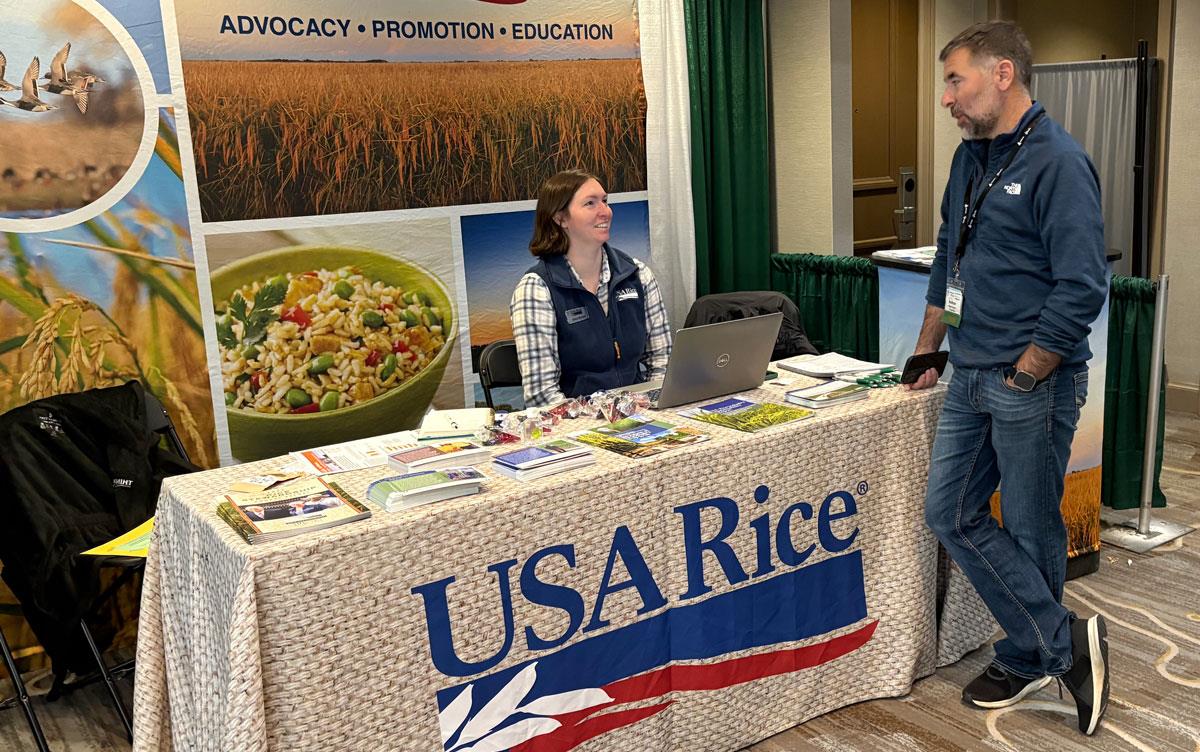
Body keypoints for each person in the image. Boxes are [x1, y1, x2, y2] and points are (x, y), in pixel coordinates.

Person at [906, 22, 1110, 735]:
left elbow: (1083, 287)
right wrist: (929, 350)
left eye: (955, 80)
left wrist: (1028, 373)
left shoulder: (1058, 162)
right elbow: (947, 261)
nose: (945, 99)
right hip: (967, 373)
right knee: (950, 512)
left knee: (1028, 524)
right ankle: (1062, 642)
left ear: (1001, 75)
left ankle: (1029, 655)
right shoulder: (971, 159)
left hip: (1030, 383)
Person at [510, 169, 672, 407]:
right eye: (590, 203)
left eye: (605, 201)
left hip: (640, 417)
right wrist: (602, 422)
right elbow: (542, 396)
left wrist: (648, 408)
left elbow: (662, 363)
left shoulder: (638, 274)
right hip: (574, 429)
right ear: (560, 218)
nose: (604, 211)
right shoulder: (536, 290)